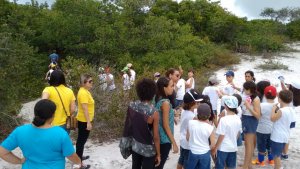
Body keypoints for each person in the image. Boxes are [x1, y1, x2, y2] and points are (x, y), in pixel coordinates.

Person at [0, 99, 82, 169]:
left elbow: (2, 152)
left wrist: (20, 161)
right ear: (53, 115)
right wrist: (79, 162)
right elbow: (70, 155)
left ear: (35, 114)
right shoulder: (60, 133)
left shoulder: (20, 131)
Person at [125, 78, 161, 169]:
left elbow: (130, 126)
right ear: (153, 93)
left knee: (135, 166)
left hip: (135, 145)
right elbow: (156, 136)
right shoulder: (154, 112)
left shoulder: (132, 106)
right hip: (148, 149)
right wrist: (159, 154)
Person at [155, 77, 179, 169]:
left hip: (158, 137)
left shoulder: (158, 99)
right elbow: (165, 125)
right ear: (164, 87)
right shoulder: (165, 103)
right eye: (171, 86)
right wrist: (174, 143)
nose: (173, 88)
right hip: (164, 140)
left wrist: (172, 116)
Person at [212, 96, 242, 169]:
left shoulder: (224, 120)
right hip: (233, 147)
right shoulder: (238, 118)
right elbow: (238, 133)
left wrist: (215, 147)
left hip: (223, 148)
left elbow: (221, 135)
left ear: (226, 106)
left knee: (220, 166)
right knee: (230, 166)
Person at [177, 89, 203, 169]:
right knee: (187, 163)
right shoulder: (192, 116)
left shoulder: (185, 111)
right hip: (188, 144)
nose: (199, 104)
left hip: (182, 140)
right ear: (191, 103)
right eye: (197, 102)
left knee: (181, 159)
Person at [270, 90, 295, 169]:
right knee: (278, 155)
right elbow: (292, 124)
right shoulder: (291, 110)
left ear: (279, 99)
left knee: (276, 156)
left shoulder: (281, 111)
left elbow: (272, 118)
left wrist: (273, 109)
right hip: (285, 136)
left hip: (277, 137)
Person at [252, 86, 277, 166]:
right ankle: (271, 160)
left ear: (265, 95)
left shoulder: (262, 105)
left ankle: (261, 161)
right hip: (272, 129)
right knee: (270, 145)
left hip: (261, 129)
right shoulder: (277, 105)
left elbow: (258, 115)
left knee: (261, 146)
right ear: (275, 95)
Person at [186, 103, 215, 169]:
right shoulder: (210, 128)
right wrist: (206, 148)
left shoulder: (190, 123)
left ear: (197, 113)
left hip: (193, 152)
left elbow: (187, 138)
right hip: (205, 153)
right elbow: (213, 144)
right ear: (209, 115)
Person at [76, 74, 95, 169]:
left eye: (92, 81)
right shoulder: (83, 93)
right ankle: (79, 163)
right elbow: (85, 109)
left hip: (84, 120)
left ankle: (79, 156)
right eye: (90, 81)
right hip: (84, 121)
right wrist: (88, 122)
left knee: (81, 141)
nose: (92, 83)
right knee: (81, 141)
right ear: (84, 83)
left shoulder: (85, 91)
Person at [241, 81, 261, 169]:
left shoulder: (256, 99)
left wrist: (249, 107)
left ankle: (245, 166)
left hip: (251, 120)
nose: (244, 90)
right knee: (248, 144)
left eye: (245, 89)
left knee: (248, 144)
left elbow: (258, 115)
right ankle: (249, 165)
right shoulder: (248, 96)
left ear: (250, 89)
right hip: (246, 119)